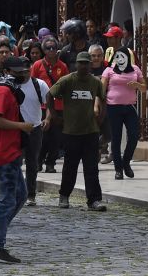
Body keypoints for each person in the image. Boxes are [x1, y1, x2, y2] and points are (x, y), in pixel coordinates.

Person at [0, 56, 36, 263]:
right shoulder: (4, 91)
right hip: (3, 152)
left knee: (20, 195)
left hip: (10, 151)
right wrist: (21, 127)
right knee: (6, 201)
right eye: (19, 71)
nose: (23, 73)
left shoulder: (8, 88)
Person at [47, 50, 107, 211]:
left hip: (90, 132)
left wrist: (101, 116)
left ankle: (94, 200)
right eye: (80, 63)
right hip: (71, 132)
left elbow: (103, 98)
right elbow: (49, 95)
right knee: (70, 167)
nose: (83, 66)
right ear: (76, 64)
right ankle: (64, 196)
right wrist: (54, 116)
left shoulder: (95, 82)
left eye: (86, 63)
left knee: (91, 168)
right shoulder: (67, 80)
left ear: (90, 65)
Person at [101, 42, 144, 179]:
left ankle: (126, 162)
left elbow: (144, 87)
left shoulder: (135, 69)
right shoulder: (109, 70)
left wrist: (137, 85)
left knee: (133, 135)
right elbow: (102, 89)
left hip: (130, 106)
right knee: (116, 137)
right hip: (113, 106)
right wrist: (100, 105)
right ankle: (118, 169)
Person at [30, 36, 68, 172]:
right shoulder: (37, 65)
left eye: (53, 47)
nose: (51, 50)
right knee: (42, 137)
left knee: (56, 138)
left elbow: (66, 85)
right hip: (42, 106)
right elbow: (32, 83)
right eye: (48, 48)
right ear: (44, 50)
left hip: (58, 107)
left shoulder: (62, 66)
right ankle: (38, 161)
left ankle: (51, 163)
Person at [18, 59, 50, 206]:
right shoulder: (12, 85)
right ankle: (15, 191)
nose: (24, 73)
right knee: (14, 162)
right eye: (22, 70)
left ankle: (30, 194)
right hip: (16, 129)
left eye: (27, 70)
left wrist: (48, 118)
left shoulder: (39, 85)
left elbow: (50, 104)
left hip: (34, 128)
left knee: (32, 163)